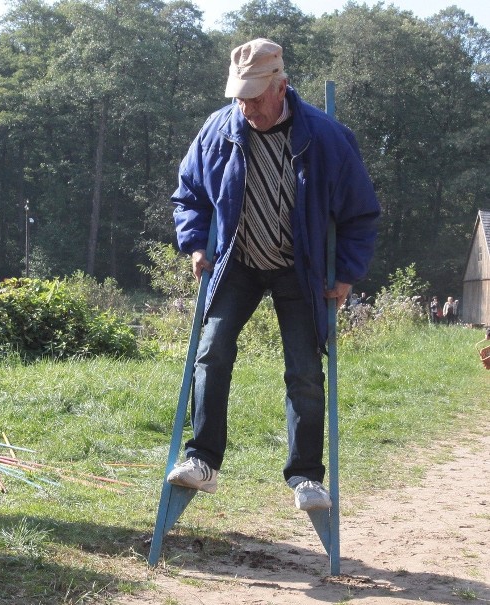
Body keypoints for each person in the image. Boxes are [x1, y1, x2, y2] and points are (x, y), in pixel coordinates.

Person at [167, 39, 379, 511]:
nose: (248, 108)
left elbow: (361, 214)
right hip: (236, 260)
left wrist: (344, 273)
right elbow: (189, 194)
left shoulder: (326, 138)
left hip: (298, 268)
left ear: (281, 87)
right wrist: (196, 243)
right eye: (240, 98)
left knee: (304, 368)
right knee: (211, 351)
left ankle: (305, 476)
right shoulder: (218, 130)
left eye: (256, 98)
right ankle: (202, 460)